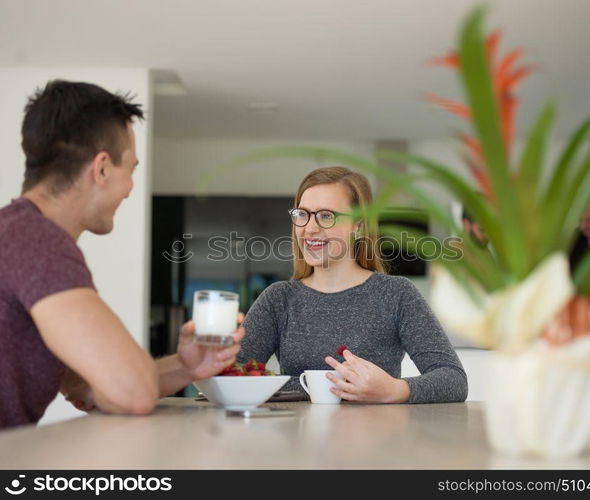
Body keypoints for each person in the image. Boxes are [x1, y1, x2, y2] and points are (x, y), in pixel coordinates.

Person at [0, 80, 243, 429]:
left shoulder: (17, 235)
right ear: (101, 169)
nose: (130, 187)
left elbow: (88, 386)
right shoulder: (36, 242)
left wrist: (187, 366)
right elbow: (133, 391)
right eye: (131, 168)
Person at [238, 167, 467, 404]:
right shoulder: (278, 299)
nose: (310, 228)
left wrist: (394, 390)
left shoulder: (396, 294)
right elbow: (233, 377)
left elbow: (453, 380)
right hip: (298, 437)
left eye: (326, 216)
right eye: (303, 214)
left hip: (376, 437)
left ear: (358, 225)